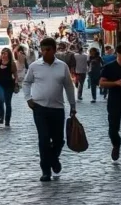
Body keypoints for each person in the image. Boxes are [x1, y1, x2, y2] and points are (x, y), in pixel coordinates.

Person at [22, 37, 77, 182]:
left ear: (54, 50)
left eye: (48, 50)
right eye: (43, 49)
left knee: (59, 140)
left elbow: (69, 86)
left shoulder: (62, 66)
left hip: (57, 108)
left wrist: (73, 105)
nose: (45, 52)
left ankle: (54, 159)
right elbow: (26, 83)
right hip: (39, 107)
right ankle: (45, 170)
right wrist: (28, 98)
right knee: (44, 139)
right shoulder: (35, 66)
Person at [0, 48, 18, 127]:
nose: (3, 55)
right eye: (2, 53)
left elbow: (15, 75)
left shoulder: (12, 63)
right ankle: (1, 116)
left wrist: (16, 83)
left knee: (8, 103)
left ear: (9, 54)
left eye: (5, 54)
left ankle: (7, 120)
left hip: (9, 84)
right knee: (1, 100)